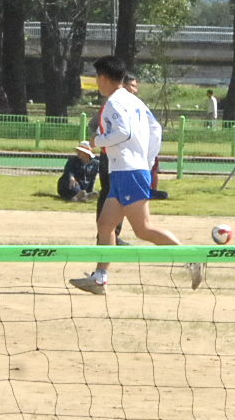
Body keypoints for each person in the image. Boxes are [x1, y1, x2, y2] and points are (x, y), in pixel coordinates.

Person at [69, 56, 201, 296]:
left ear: (105, 78)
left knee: (143, 229)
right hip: (127, 170)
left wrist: (95, 141)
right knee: (105, 224)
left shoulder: (113, 102)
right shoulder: (135, 101)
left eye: (98, 77)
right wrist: (147, 159)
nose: (97, 82)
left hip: (128, 171)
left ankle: (190, 256)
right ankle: (99, 278)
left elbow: (123, 132)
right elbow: (155, 129)